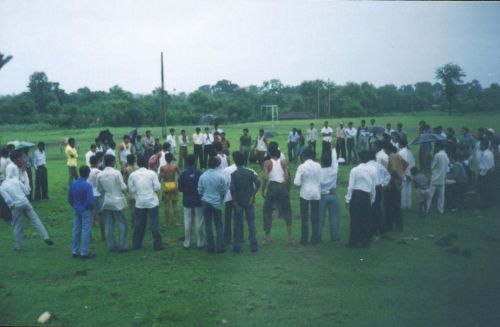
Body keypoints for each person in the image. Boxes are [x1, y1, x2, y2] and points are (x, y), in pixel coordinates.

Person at [0, 176, 54, 251]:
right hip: (25, 202)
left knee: (17, 225)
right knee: (36, 220)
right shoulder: (15, 180)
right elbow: (26, 190)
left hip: (16, 206)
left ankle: (18, 246)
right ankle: (46, 237)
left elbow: (8, 199)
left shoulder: (2, 187)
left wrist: (11, 206)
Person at [128, 157, 165, 251]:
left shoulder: (133, 175)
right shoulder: (152, 174)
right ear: (147, 164)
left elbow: (131, 189)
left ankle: (136, 244)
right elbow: (157, 187)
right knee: (154, 224)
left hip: (140, 202)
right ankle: (158, 244)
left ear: (138, 164)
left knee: (139, 224)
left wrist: (138, 192)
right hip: (152, 201)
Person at [261, 146, 293, 245]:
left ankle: (267, 238)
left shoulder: (267, 163)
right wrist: (287, 189)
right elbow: (287, 178)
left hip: (272, 187)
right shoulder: (283, 162)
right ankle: (289, 237)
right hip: (282, 187)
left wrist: (263, 191)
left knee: (267, 212)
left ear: (270, 154)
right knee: (287, 211)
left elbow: (266, 178)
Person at [230, 151, 261, 253]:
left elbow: (232, 189)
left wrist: (235, 202)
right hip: (249, 201)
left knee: (238, 225)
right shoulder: (250, 172)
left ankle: (237, 247)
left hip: (238, 202)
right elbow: (258, 183)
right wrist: (253, 196)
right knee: (251, 224)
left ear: (235, 162)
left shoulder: (234, 174)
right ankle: (254, 246)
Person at [97, 154, 128, 252]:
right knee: (122, 223)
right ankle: (122, 245)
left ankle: (111, 246)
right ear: (112, 162)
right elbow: (123, 187)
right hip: (117, 201)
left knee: (109, 225)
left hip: (107, 201)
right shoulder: (116, 173)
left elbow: (99, 189)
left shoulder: (100, 174)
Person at [345, 150, 376, 248]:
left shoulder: (354, 170)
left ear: (360, 158)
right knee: (365, 219)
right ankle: (365, 241)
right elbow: (373, 186)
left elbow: (351, 186)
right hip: (366, 195)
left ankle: (353, 241)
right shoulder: (372, 170)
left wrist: (348, 199)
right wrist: (372, 199)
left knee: (355, 219)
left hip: (356, 195)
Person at [197, 156, 227, 253]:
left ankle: (210, 247)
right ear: (216, 165)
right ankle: (221, 246)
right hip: (217, 202)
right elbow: (223, 191)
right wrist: (220, 199)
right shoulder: (220, 177)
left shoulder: (202, 176)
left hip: (205, 202)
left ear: (207, 165)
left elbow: (200, 190)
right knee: (219, 225)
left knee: (208, 225)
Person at [294, 148, 321, 245]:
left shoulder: (302, 167)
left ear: (304, 156)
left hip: (305, 193)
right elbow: (321, 180)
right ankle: (315, 239)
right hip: (316, 193)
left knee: (304, 218)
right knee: (315, 217)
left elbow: (296, 183)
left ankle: (304, 239)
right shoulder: (318, 166)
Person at [179, 155, 206, 249]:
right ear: (195, 162)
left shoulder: (183, 174)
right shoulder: (200, 173)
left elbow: (180, 189)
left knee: (187, 221)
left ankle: (187, 242)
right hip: (198, 200)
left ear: (186, 162)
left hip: (187, 200)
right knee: (199, 221)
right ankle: (200, 242)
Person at [68, 166, 94, 259]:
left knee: (76, 229)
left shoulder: (73, 184)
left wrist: (75, 206)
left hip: (76, 209)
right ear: (87, 174)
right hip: (86, 210)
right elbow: (90, 201)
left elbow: (69, 199)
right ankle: (84, 252)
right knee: (86, 230)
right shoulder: (87, 186)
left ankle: (74, 250)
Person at [384, 143, 408, 232]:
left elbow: (393, 169)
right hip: (398, 183)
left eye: (385, 149)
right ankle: (399, 226)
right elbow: (406, 164)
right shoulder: (398, 155)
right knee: (397, 205)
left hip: (393, 183)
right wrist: (401, 173)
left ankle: (389, 226)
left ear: (387, 149)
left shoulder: (391, 156)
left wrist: (394, 176)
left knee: (389, 206)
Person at [318, 148, 340, 242]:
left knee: (320, 218)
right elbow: (335, 161)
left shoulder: (319, 171)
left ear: (321, 162)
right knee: (334, 217)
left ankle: (318, 236)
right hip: (333, 194)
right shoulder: (334, 170)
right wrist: (334, 149)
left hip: (322, 195)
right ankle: (334, 237)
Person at [366, 150, 390, 235]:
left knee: (371, 208)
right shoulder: (379, 166)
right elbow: (387, 175)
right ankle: (380, 228)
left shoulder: (366, 166)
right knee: (378, 207)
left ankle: (373, 228)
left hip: (370, 188)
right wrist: (383, 184)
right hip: (378, 187)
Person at [426, 143, 449, 214]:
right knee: (441, 196)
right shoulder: (446, 156)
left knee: (430, 195)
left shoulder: (437, 155)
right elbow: (447, 168)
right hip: (442, 177)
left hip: (435, 178)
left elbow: (432, 166)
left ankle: (426, 208)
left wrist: (431, 159)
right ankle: (440, 209)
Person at [159, 152, 181, 227]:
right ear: (172, 159)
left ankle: (166, 222)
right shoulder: (175, 166)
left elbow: (160, 178)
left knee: (166, 205)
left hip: (166, 185)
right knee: (175, 204)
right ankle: (177, 221)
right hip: (173, 184)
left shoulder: (162, 167)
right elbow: (180, 175)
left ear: (165, 159)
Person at [87, 155, 105, 241]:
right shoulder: (99, 172)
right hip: (98, 195)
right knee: (101, 215)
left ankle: (89, 236)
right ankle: (103, 235)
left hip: (89, 195)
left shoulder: (86, 171)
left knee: (90, 216)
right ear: (97, 162)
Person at [476, 138, 495, 208]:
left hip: (484, 175)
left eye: (480, 145)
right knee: (486, 189)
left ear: (483, 146)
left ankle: (484, 205)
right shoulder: (490, 153)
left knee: (482, 190)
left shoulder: (485, 155)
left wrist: (479, 175)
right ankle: (486, 203)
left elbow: (484, 168)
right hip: (489, 173)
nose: (480, 146)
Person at [223, 160, 237, 245]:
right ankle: (239, 237)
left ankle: (227, 238)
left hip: (228, 197)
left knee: (227, 218)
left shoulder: (227, 170)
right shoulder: (244, 169)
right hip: (239, 197)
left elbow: (224, 183)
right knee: (238, 218)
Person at [398, 139, 415, 210]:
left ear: (401, 144)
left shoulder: (401, 152)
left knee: (403, 190)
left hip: (404, 173)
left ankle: (403, 205)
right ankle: (408, 205)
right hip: (410, 173)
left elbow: (401, 164)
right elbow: (413, 163)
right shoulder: (409, 152)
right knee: (408, 190)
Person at [123, 154, 139, 227]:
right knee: (137, 206)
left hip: (131, 189)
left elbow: (124, 180)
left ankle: (133, 222)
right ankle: (138, 221)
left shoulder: (127, 169)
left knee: (132, 207)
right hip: (138, 188)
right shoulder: (137, 168)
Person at [0, 148, 12, 221]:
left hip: (3, 181)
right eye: (8, 153)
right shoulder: (3, 161)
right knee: (6, 199)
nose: (9, 155)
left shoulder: (3, 160)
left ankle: (3, 214)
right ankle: (7, 216)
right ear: (5, 154)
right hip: (3, 182)